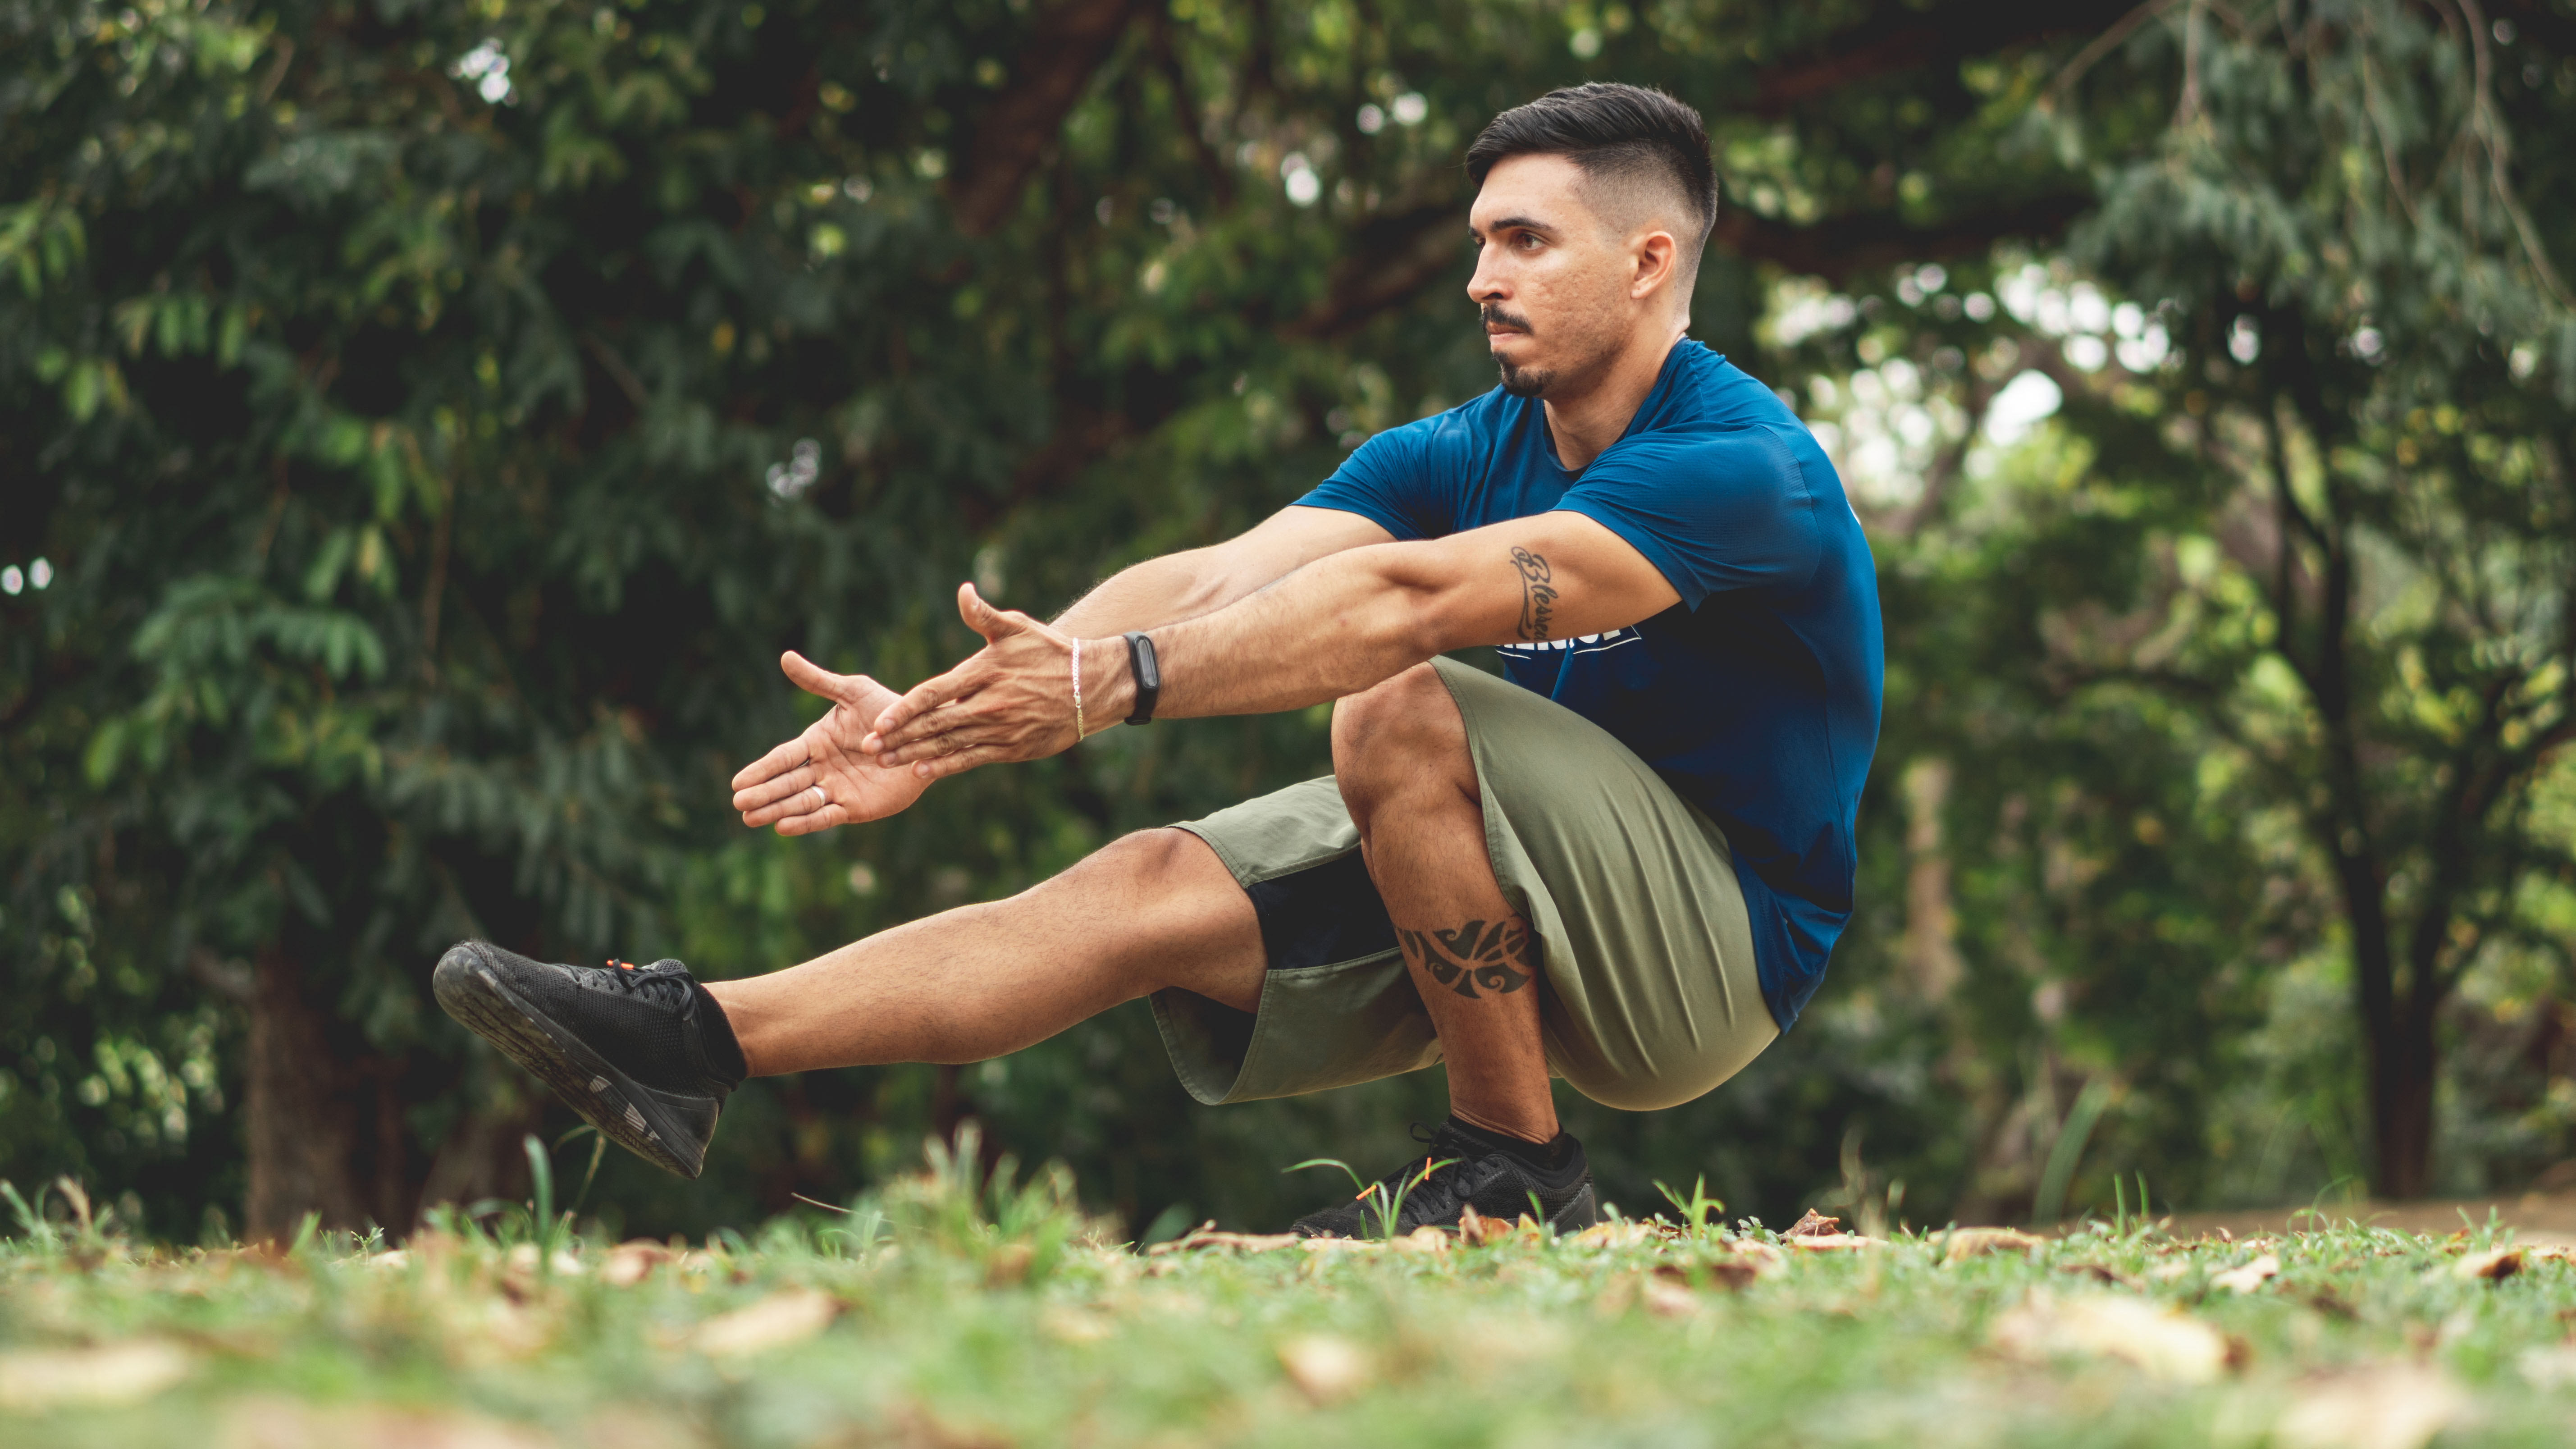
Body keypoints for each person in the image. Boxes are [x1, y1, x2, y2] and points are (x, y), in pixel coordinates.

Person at [433, 82, 1882, 1238]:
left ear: (1646, 262)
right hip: (1529, 863)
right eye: (1477, 240)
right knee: (1141, 892)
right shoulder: (1467, 444)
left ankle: (1510, 1170)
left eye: (1524, 241)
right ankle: (692, 1045)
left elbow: (1396, 602)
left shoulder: (1740, 469)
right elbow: (1224, 573)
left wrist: (1108, 687)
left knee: (1396, 701)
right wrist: (979, 701)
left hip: (1715, 937)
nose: (1476, 277)